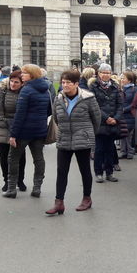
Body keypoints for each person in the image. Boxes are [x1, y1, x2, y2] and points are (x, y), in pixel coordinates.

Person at [46, 70, 102, 215]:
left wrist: (87, 134)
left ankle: (87, 198)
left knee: (84, 170)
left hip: (82, 138)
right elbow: (56, 118)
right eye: (63, 82)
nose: (64, 85)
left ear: (76, 84)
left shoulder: (88, 98)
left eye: (68, 83)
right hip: (64, 138)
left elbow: (96, 119)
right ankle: (59, 202)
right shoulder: (58, 98)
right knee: (61, 171)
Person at [4, 64, 51, 199]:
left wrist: (13, 134)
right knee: (39, 159)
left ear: (32, 75)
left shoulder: (26, 90)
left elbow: (20, 114)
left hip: (23, 131)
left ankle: (11, 189)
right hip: (40, 129)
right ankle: (37, 187)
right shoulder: (46, 89)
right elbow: (49, 110)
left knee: (13, 159)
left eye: (24, 73)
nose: (21, 75)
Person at [0, 70, 26, 193]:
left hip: (18, 126)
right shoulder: (2, 89)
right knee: (4, 155)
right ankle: (7, 181)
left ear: (22, 83)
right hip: (2, 125)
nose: (13, 84)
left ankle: (20, 180)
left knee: (19, 156)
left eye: (16, 82)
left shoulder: (25, 92)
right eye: (12, 81)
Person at [90, 64, 123, 183]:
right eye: (103, 72)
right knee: (99, 149)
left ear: (111, 74)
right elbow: (93, 105)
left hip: (113, 122)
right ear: (99, 74)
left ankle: (109, 172)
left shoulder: (115, 87)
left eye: (108, 73)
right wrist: (106, 118)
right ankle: (98, 173)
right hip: (100, 122)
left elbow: (120, 105)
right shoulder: (93, 87)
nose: (105, 75)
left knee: (110, 149)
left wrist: (116, 118)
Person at [119, 71, 137, 160]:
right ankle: (123, 151)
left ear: (129, 80)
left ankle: (130, 151)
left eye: (124, 78)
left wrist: (125, 109)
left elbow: (135, 103)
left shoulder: (135, 89)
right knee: (122, 133)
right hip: (121, 115)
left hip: (130, 114)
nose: (122, 80)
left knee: (128, 134)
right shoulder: (121, 89)